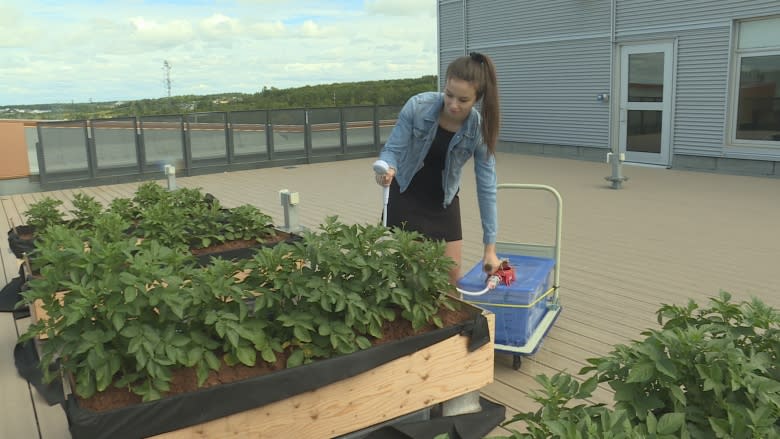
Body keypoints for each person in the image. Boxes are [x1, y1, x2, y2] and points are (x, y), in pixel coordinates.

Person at [375, 52, 501, 285]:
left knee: (451, 276)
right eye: (449, 95)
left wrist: (490, 249)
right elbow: (393, 148)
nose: (453, 104)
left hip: (444, 199)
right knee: (412, 274)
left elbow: (487, 188)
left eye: (463, 100)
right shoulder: (418, 106)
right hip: (406, 193)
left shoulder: (479, 131)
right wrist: (387, 168)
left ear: (477, 99)